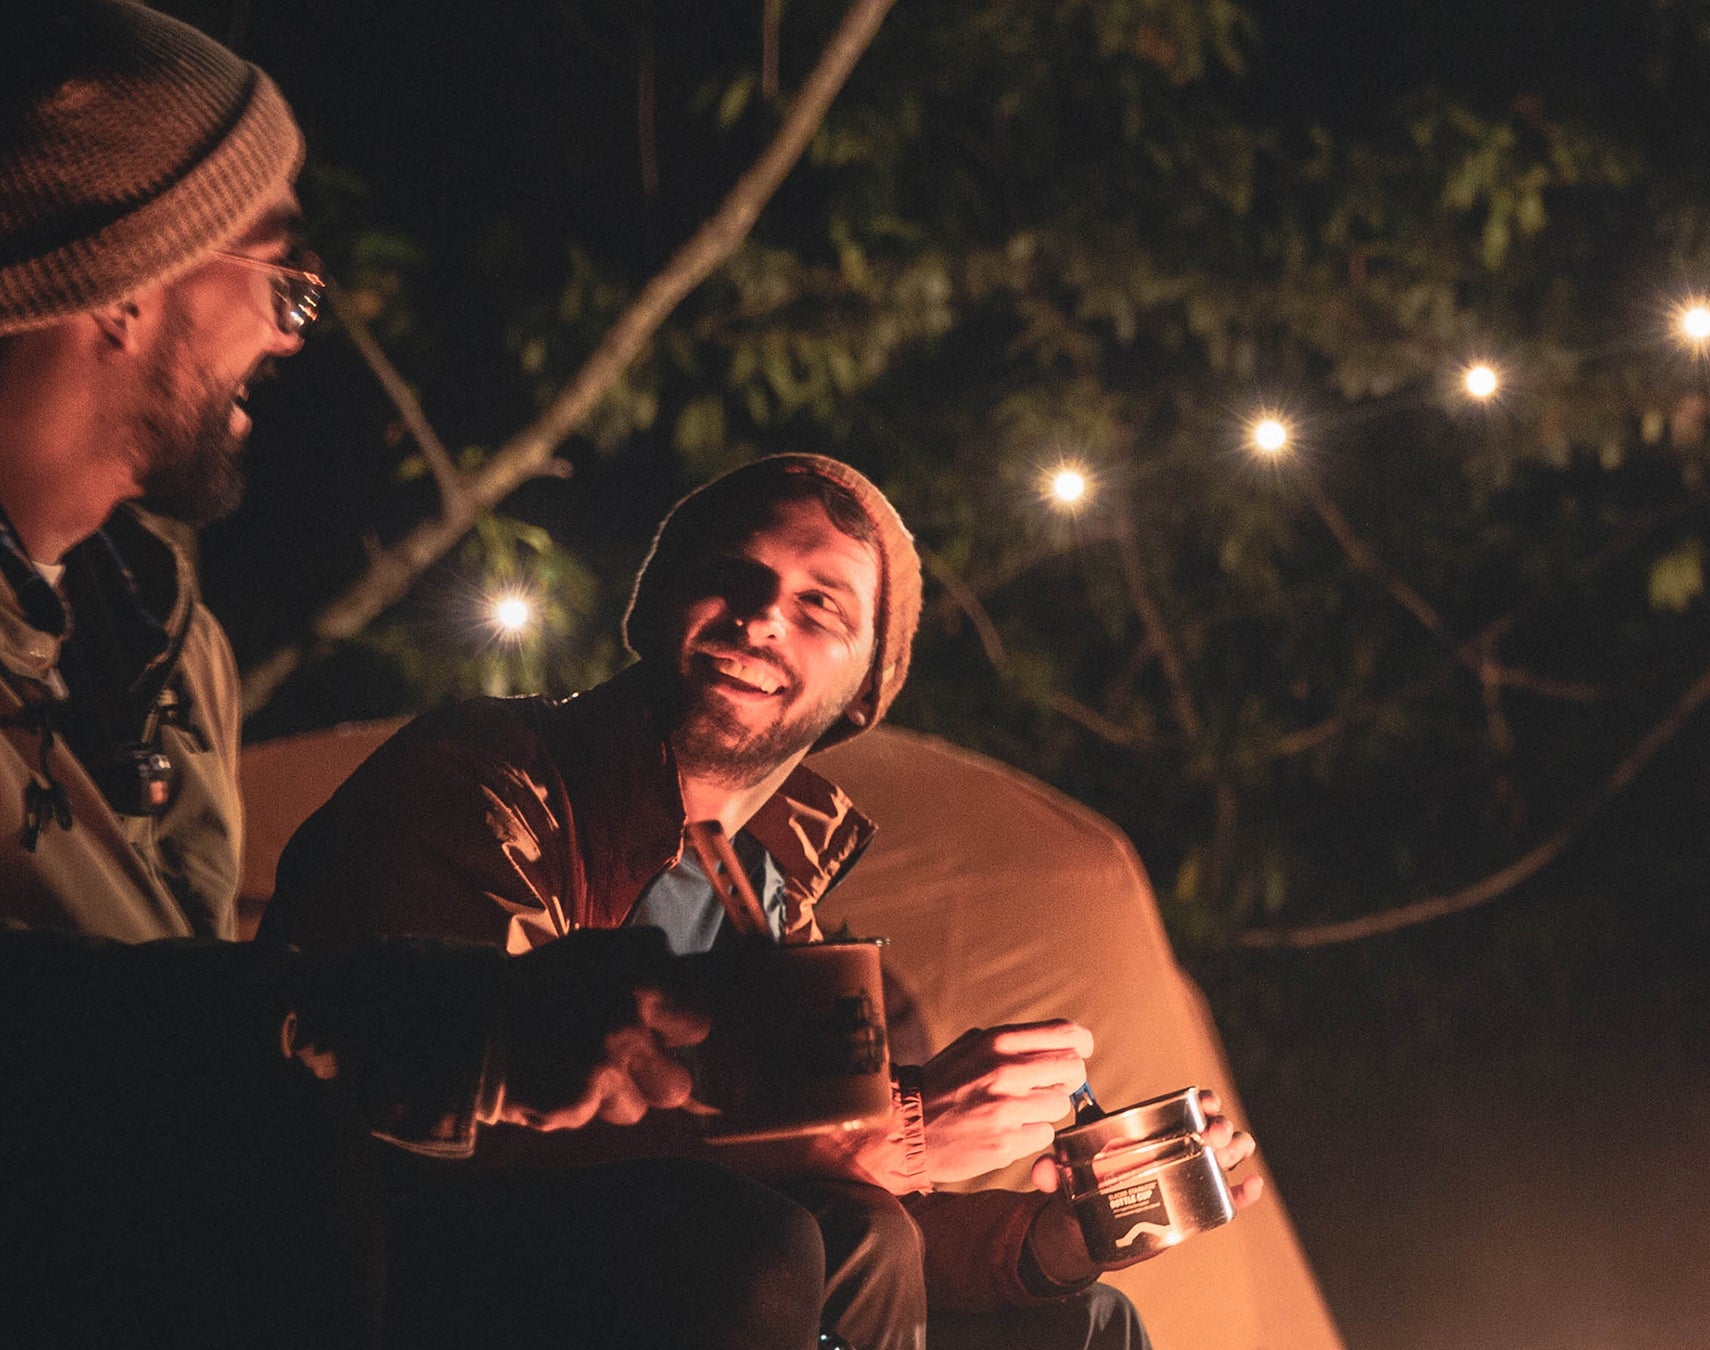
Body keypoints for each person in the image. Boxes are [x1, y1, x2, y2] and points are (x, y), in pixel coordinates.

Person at [0, 5, 854, 1346]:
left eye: (826, 611)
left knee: (897, 1261)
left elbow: (182, 1007)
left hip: (209, 1207)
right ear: (126, 275)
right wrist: (460, 1022)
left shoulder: (159, 650)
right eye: (282, 279)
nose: (292, 335)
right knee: (727, 1253)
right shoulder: (492, 781)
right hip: (111, 1236)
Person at [263, 454, 1264, 1349]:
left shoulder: (770, 897)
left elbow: (823, 1179)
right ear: (655, 605)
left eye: (821, 604)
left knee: (1083, 1324)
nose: (759, 618)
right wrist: (903, 1129)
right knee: (811, 1244)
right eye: (729, 578)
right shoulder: (486, 781)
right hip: (400, 1279)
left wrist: (1045, 1238)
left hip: (708, 1269)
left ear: (868, 685)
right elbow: (465, 1117)